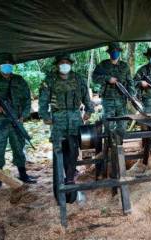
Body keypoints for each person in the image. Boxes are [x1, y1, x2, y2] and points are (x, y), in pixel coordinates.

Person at [38, 53, 94, 203]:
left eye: (67, 62)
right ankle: (60, 181)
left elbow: (86, 98)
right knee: (59, 150)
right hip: (58, 119)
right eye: (61, 62)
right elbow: (43, 100)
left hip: (75, 118)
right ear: (57, 65)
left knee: (74, 149)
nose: (64, 65)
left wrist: (88, 110)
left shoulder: (78, 79)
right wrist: (45, 116)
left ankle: (70, 178)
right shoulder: (50, 80)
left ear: (70, 64)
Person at [0, 53, 36, 189]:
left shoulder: (19, 80)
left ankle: (23, 175)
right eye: (4, 66)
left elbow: (27, 99)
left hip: (16, 120)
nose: (7, 68)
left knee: (19, 148)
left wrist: (24, 115)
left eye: (9, 65)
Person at [92, 42, 135, 138]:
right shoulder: (102, 65)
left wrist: (131, 96)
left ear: (119, 52)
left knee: (122, 125)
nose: (115, 53)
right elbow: (94, 78)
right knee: (108, 125)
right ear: (109, 53)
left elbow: (130, 82)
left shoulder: (125, 66)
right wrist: (108, 79)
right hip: (108, 99)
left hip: (121, 100)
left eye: (116, 51)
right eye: (113, 51)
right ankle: (109, 146)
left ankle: (119, 144)